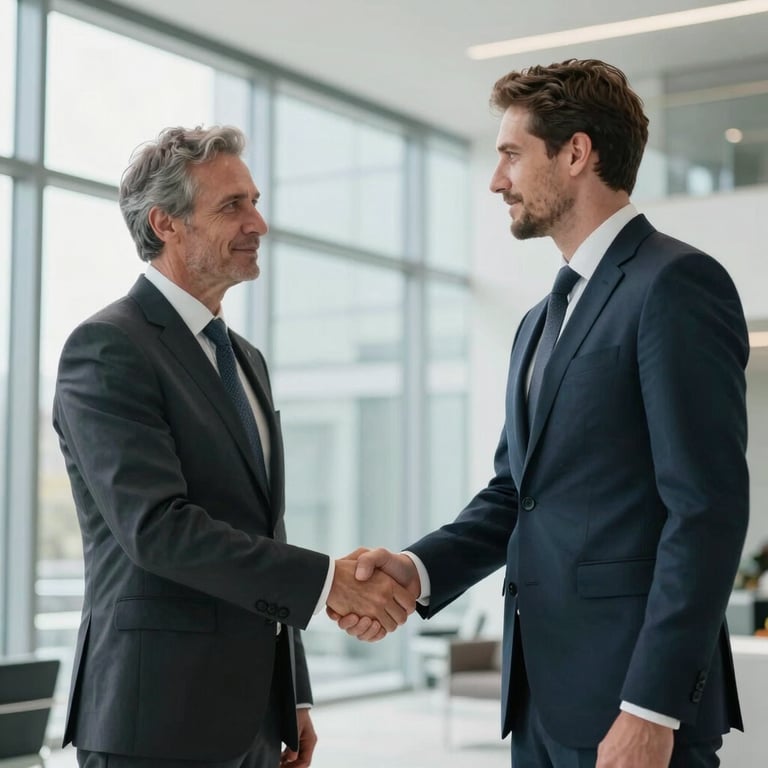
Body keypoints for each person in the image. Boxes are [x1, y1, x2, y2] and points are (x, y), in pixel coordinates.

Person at [331, 59, 749, 767]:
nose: (498, 181)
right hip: (539, 700)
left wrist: (651, 705)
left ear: (576, 153)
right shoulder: (537, 320)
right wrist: (415, 569)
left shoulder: (674, 285)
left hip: (631, 706)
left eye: (511, 155)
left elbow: (705, 510)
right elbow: (515, 497)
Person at [52, 125, 416, 768]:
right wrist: (330, 581)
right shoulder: (108, 347)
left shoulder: (242, 358)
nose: (259, 223)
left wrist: (292, 692)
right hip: (154, 720)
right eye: (232, 206)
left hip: (251, 718)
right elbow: (157, 529)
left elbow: (263, 527)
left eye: (254, 200)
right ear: (165, 223)